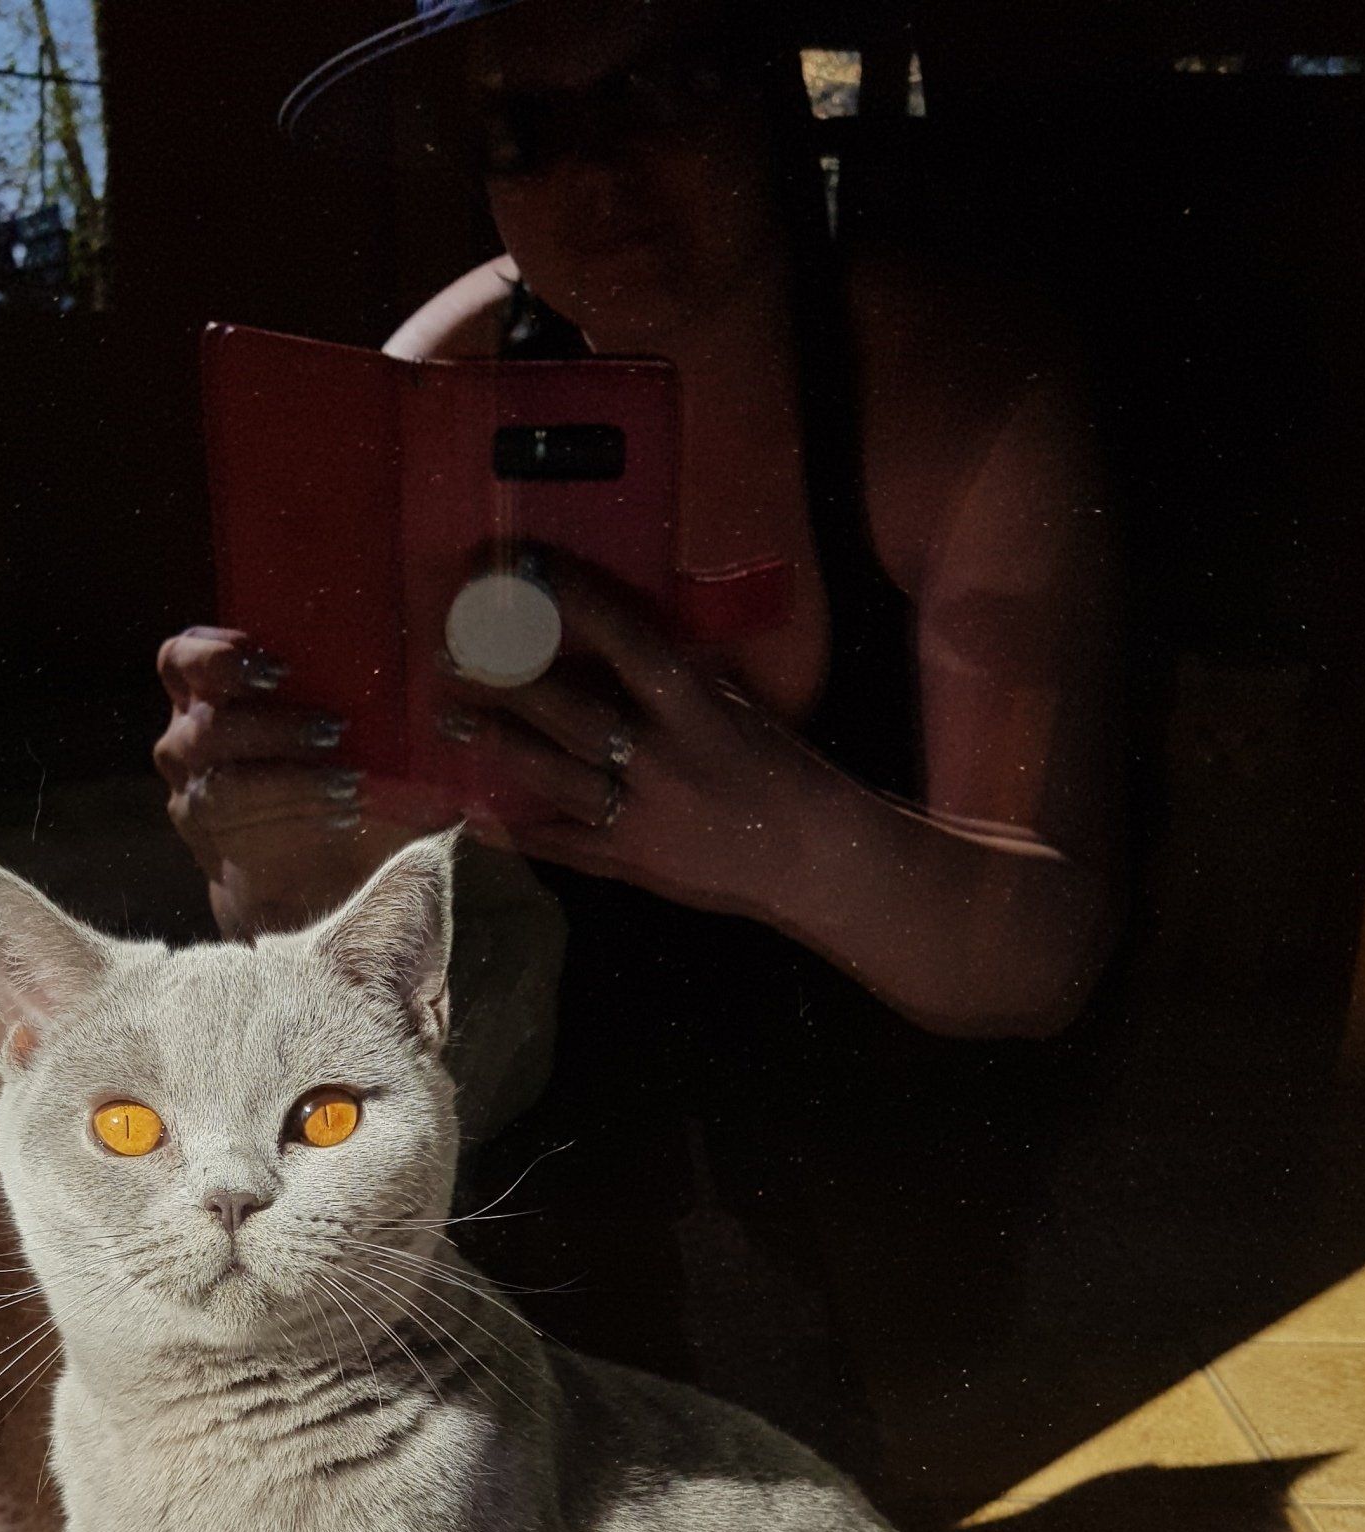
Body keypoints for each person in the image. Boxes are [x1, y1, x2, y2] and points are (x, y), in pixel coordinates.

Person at [151, 0, 1124, 1446]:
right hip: (588, 1083)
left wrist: (766, 833)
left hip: (898, 1093)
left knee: (896, 1424)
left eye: (663, 90)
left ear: (773, 99)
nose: (599, 178)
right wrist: (264, 848)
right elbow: (320, 927)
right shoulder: (446, 378)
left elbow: (1043, 961)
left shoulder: (944, 389)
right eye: (523, 131)